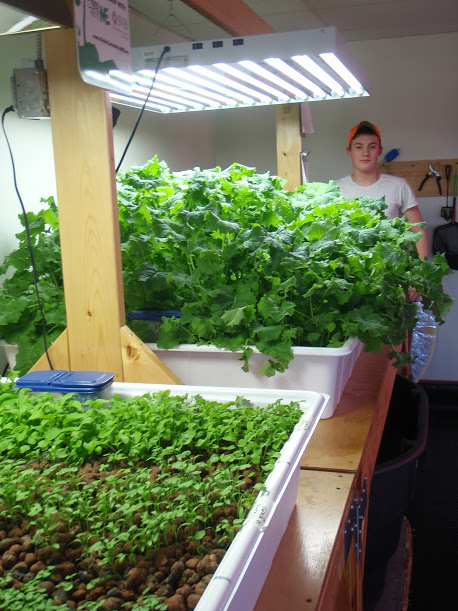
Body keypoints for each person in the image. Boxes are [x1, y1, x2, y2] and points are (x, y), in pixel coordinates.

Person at [336, 121, 429, 264]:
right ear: (349, 151)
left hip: (393, 276)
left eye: (372, 147)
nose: (365, 153)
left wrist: (420, 274)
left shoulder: (399, 186)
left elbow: (418, 231)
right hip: (352, 279)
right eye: (359, 147)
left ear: (380, 150)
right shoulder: (336, 189)